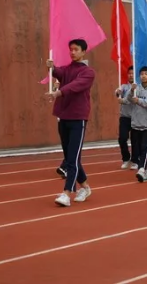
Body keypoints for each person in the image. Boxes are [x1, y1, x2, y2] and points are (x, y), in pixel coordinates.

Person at [46, 39, 96, 207]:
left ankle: (67, 193)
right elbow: (60, 73)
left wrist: (58, 93)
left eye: (76, 49)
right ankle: (85, 187)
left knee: (73, 157)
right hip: (63, 116)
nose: (72, 52)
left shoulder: (88, 72)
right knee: (70, 157)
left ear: (83, 52)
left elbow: (75, 86)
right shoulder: (67, 69)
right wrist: (51, 67)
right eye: (71, 49)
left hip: (78, 118)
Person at [124, 66, 147, 182]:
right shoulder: (136, 88)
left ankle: (141, 169)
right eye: (142, 74)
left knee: (145, 147)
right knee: (139, 149)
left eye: (146, 74)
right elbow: (127, 99)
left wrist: (138, 100)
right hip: (136, 123)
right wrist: (131, 90)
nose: (143, 76)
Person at [115, 66, 137, 170]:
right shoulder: (123, 86)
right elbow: (117, 92)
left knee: (135, 140)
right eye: (129, 73)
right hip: (125, 117)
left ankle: (135, 160)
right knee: (122, 138)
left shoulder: (139, 87)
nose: (131, 75)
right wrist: (118, 93)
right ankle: (126, 159)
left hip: (137, 117)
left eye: (133, 73)